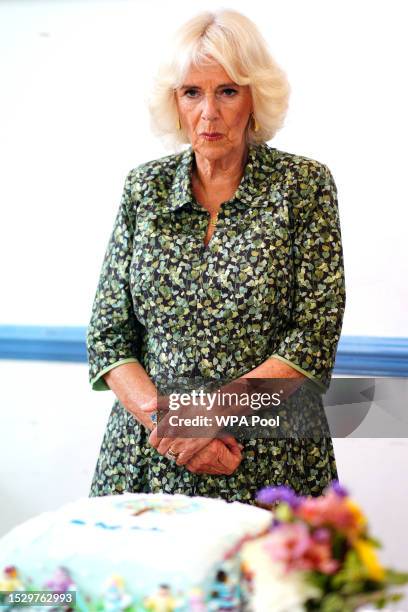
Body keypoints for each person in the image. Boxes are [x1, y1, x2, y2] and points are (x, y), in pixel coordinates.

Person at [86, 9, 346, 503]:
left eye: (227, 91)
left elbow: (313, 334)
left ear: (255, 98)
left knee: (268, 580)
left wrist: (211, 415)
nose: (209, 113)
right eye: (192, 92)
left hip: (267, 456)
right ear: (175, 102)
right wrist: (175, 428)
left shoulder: (303, 186)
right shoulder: (144, 188)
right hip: (149, 453)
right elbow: (108, 336)